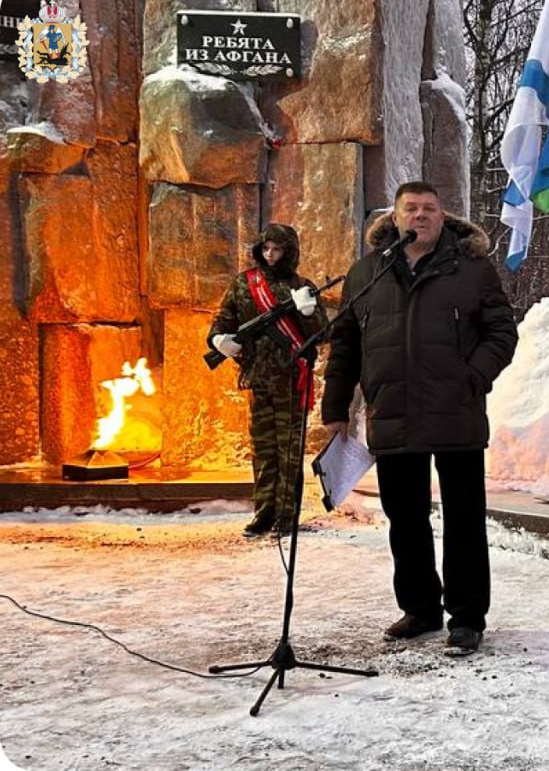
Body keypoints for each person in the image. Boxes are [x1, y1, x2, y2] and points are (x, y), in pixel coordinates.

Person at [322, 181, 518, 654]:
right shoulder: (367, 272)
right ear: (395, 217)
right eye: (411, 208)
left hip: (456, 414)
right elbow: (345, 344)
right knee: (404, 517)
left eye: (429, 208)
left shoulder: (471, 270)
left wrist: (473, 378)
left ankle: (467, 617)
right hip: (394, 413)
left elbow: (501, 332)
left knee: (464, 519)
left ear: (442, 216)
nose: (420, 216)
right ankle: (420, 608)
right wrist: (335, 409)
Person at [208, 224, 327, 537]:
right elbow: (224, 319)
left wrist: (308, 310)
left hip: (291, 379)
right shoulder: (245, 284)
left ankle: (287, 515)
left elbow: (322, 334)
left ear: (290, 252)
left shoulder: (301, 287)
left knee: (288, 452)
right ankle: (263, 512)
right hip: (258, 379)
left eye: (278, 250)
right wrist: (218, 340)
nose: (271, 255)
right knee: (263, 451)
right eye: (266, 249)